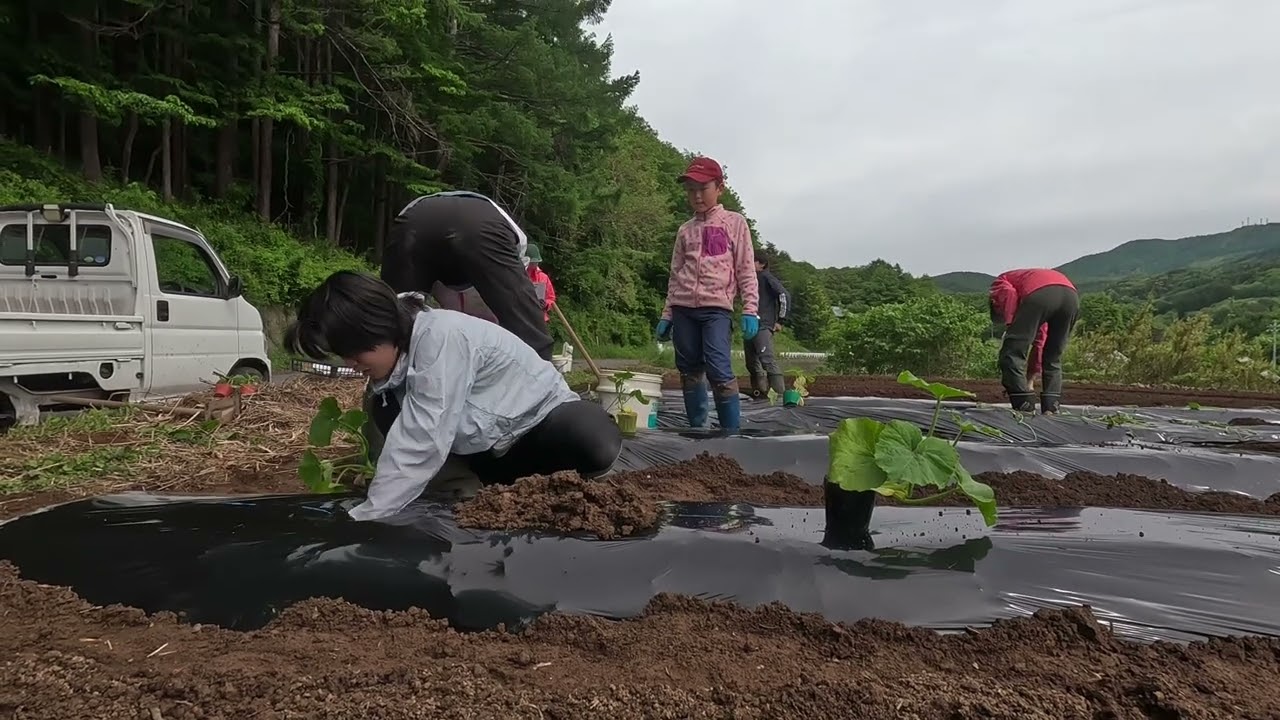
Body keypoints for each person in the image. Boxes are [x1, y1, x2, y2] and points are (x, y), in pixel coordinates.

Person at [287, 270, 622, 521]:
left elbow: (423, 438)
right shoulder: (396, 361)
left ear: (377, 328)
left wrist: (370, 516)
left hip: (537, 429)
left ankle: (578, 491)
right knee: (386, 408)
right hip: (490, 455)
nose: (352, 364)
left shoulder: (441, 338)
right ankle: (467, 498)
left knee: (590, 439)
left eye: (354, 352)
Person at [379, 190, 554, 361]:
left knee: (395, 321)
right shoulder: (515, 247)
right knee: (525, 326)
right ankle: (542, 374)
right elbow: (514, 302)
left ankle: (389, 377)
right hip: (479, 223)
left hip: (411, 222)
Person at [655, 156, 759, 431]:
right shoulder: (685, 231)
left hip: (716, 309)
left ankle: (731, 434)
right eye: (691, 190)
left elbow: (746, 269)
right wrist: (667, 314)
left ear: (719, 188)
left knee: (718, 368)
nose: (697, 195)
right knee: (689, 370)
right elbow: (675, 275)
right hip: (683, 309)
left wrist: (750, 309)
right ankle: (697, 430)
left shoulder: (734, 223)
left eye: (703, 188)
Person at [988, 268, 1080, 414]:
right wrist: (1028, 381)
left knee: (1011, 354)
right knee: (1052, 357)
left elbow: (1009, 296)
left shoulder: (1001, 281)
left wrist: (1011, 326)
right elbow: (1039, 343)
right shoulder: (1027, 286)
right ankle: (1051, 408)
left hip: (1041, 293)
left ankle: (1024, 408)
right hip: (1071, 297)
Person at [744, 253, 790, 399]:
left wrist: (781, 320)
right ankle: (760, 392)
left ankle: (779, 394)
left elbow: (784, 295)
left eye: (753, 261)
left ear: (761, 264)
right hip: (749, 324)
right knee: (751, 363)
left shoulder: (765, 277)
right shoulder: (749, 279)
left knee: (767, 360)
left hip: (763, 324)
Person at [523, 243, 556, 324]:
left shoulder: (543, 277)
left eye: (537, 262)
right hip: (522, 316)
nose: (536, 264)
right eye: (533, 262)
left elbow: (551, 298)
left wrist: (545, 304)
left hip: (539, 318)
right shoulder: (517, 275)